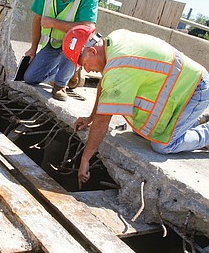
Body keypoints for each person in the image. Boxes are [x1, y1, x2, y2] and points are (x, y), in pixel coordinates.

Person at [62, 25, 209, 188]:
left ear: (92, 51)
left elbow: (103, 121)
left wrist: (85, 159)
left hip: (195, 91)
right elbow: (104, 86)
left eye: (84, 64)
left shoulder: (119, 65)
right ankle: (192, 120)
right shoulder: (114, 40)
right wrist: (90, 118)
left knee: (163, 145)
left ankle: (204, 130)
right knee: (143, 131)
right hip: (181, 89)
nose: (87, 69)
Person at [23, 0, 98, 101]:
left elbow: (88, 27)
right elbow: (37, 19)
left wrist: (54, 23)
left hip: (73, 45)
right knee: (30, 78)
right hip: (53, 43)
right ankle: (69, 73)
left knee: (72, 49)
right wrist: (33, 49)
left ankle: (61, 84)